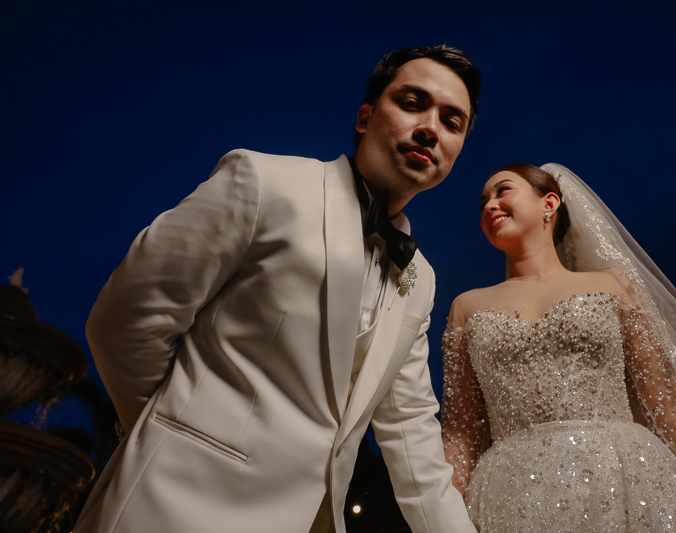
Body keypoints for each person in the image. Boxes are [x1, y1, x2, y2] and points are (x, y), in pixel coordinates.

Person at [74, 45, 481, 533]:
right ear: (365, 117)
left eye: (452, 122)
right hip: (172, 504)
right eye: (412, 103)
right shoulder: (264, 183)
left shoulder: (420, 278)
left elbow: (412, 429)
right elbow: (126, 321)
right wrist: (173, 436)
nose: (431, 128)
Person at [441, 163, 676, 532]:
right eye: (483, 202)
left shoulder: (612, 285)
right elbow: (460, 433)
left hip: (625, 478)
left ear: (549, 203)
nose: (489, 205)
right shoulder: (466, 307)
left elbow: (668, 405)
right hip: (512, 496)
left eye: (502, 190)